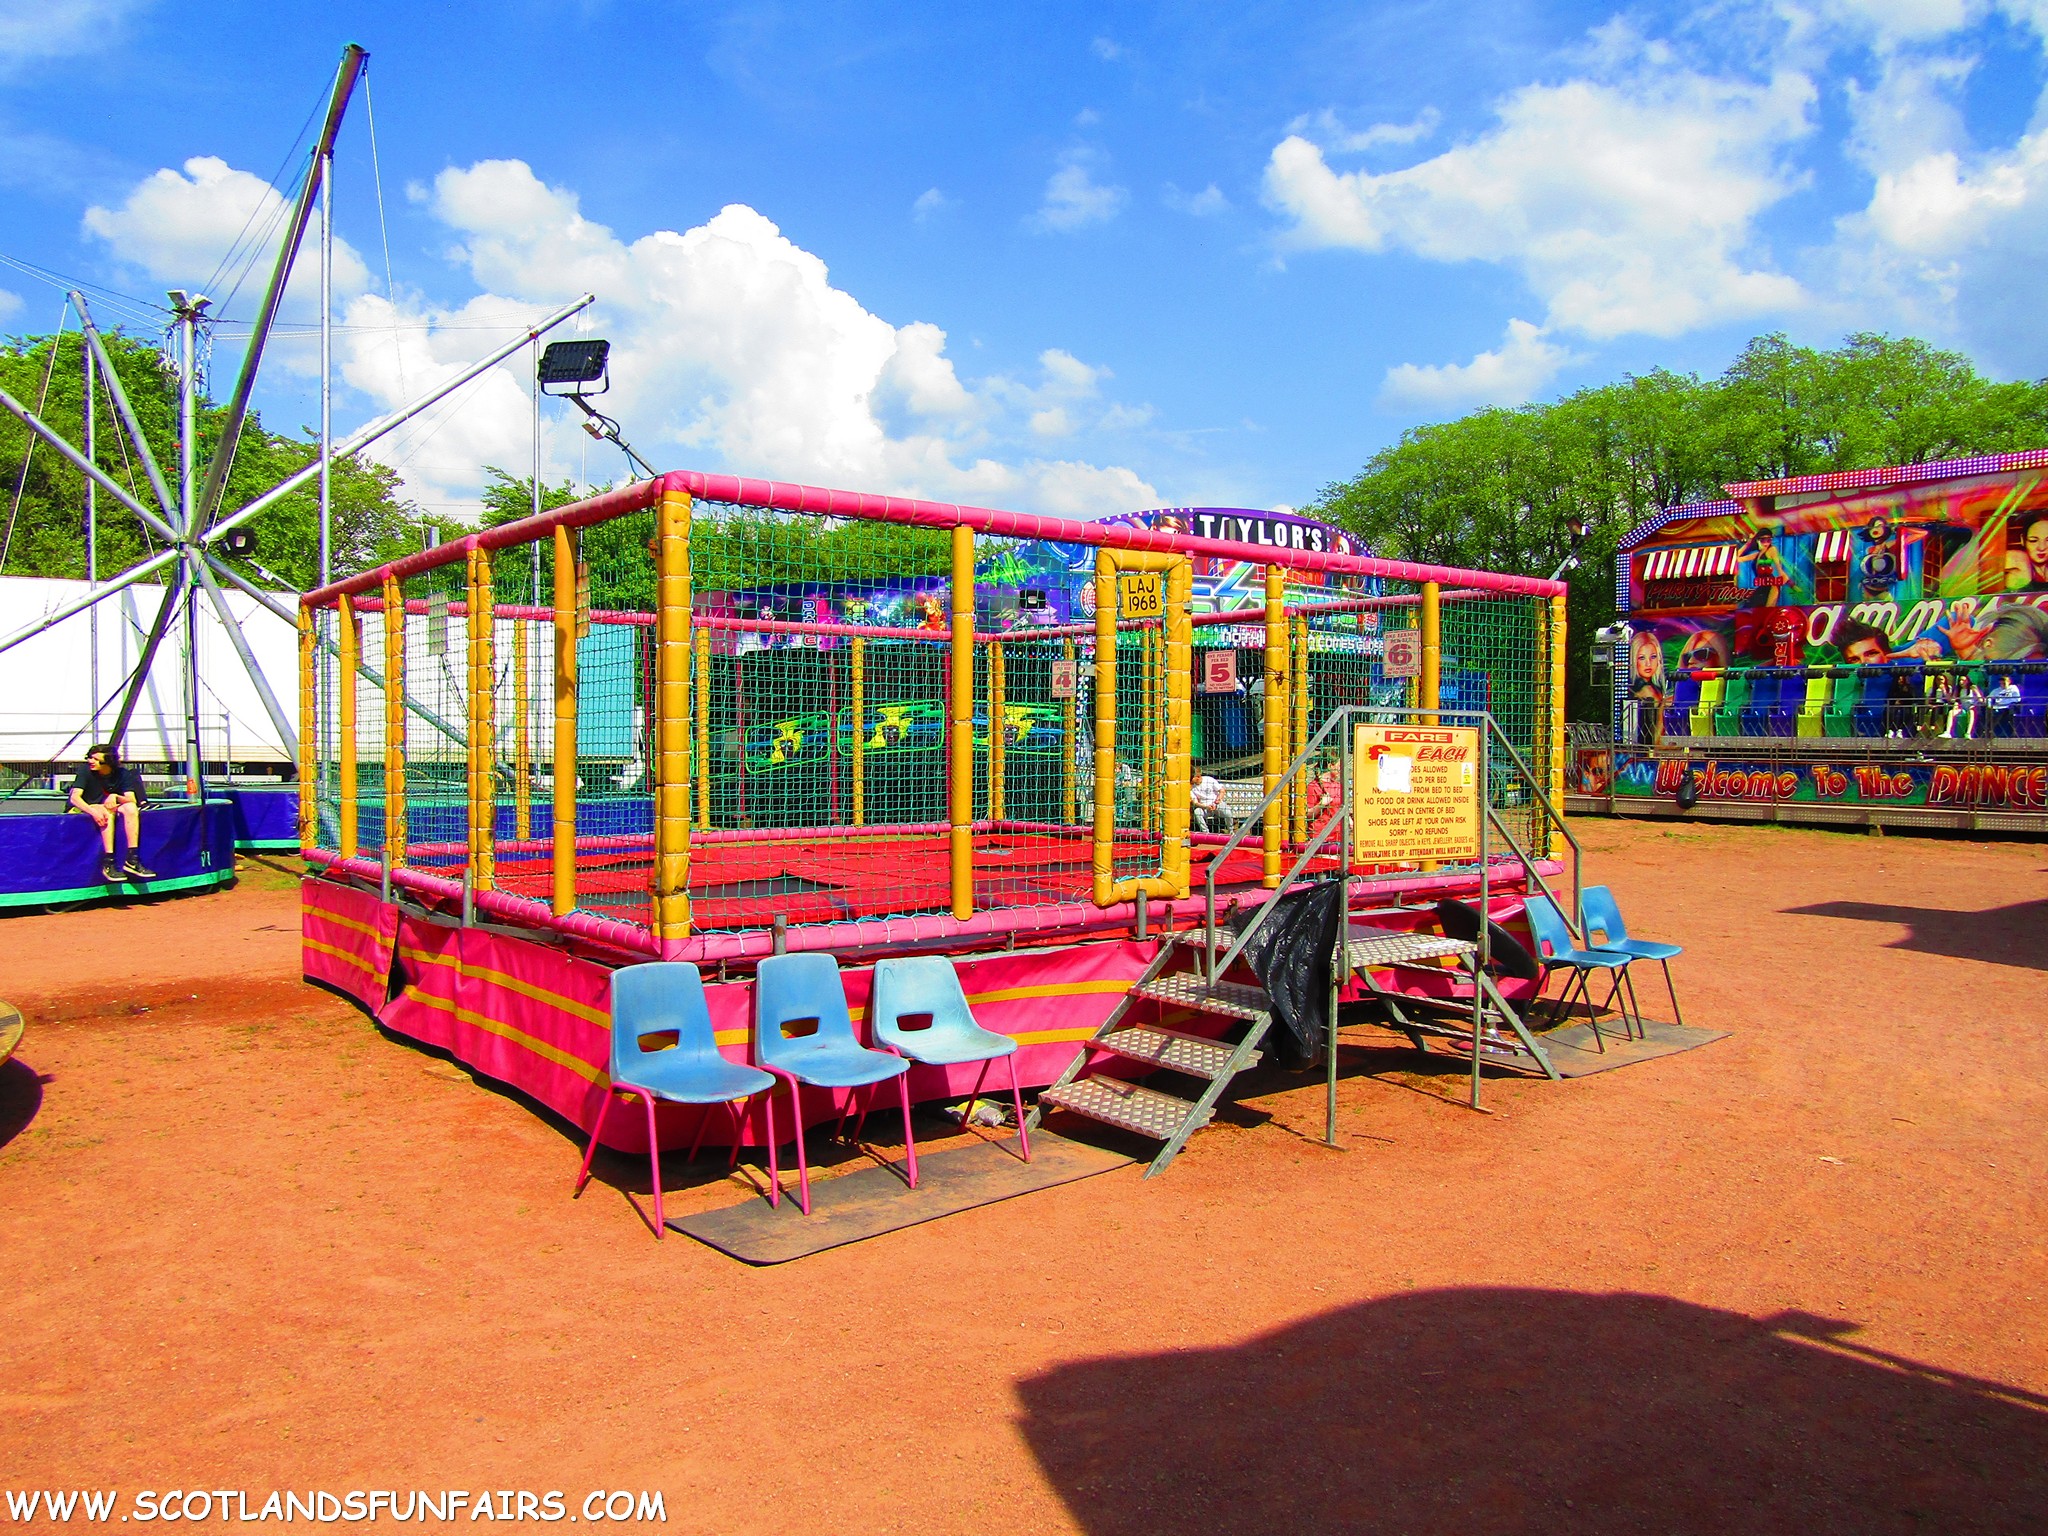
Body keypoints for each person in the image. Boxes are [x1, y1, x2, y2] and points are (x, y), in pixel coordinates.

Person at [68, 742, 157, 884]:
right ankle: (108, 862)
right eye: (90, 758)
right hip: (86, 808)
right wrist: (93, 812)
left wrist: (115, 796)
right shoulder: (85, 771)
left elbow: (131, 799)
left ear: (108, 762)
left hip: (107, 805)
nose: (91, 761)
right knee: (105, 811)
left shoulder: (122, 773)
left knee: (130, 808)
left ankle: (132, 859)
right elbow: (74, 798)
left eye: (96, 759)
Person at [1989, 674, 2022, 738]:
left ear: (2009, 681)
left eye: (2004, 681)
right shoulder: (1996, 690)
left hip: (2009, 707)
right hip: (1998, 707)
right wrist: (1989, 705)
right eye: (2001, 681)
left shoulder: (2013, 688)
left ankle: (2012, 733)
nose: (2002, 683)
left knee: (2010, 714)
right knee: (1995, 715)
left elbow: (2017, 699)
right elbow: (1989, 698)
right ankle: (1991, 732)